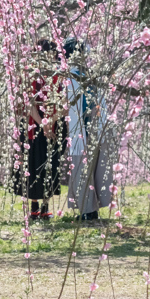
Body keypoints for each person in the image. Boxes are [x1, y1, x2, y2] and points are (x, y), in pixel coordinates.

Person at [12, 39, 65, 220]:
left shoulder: (59, 76)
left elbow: (65, 104)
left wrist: (51, 122)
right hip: (33, 126)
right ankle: (34, 206)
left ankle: (44, 206)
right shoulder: (29, 75)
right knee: (33, 166)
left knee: (49, 165)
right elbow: (28, 104)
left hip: (52, 125)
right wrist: (44, 124)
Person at [63, 38, 115, 221]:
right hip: (93, 127)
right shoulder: (87, 75)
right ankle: (91, 210)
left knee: (83, 169)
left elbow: (74, 106)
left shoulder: (73, 77)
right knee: (93, 169)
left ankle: (87, 211)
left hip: (83, 128)